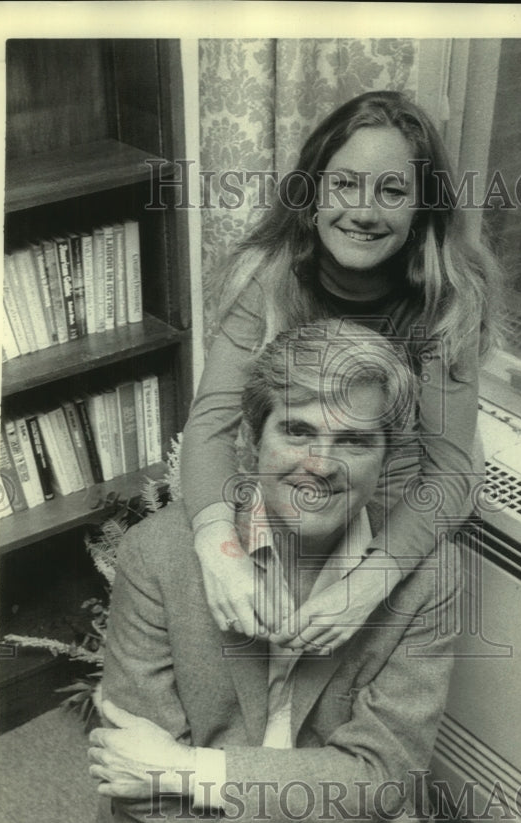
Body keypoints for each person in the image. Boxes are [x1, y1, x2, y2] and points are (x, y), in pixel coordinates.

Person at [67, 321, 463, 823]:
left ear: (388, 455)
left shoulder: (428, 578)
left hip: (202, 802)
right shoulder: (159, 555)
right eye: (297, 430)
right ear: (251, 440)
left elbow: (382, 778)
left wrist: (185, 770)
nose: (321, 463)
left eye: (354, 440)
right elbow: (135, 783)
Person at [181, 90, 504, 652]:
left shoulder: (447, 297)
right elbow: (208, 425)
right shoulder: (269, 277)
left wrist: (369, 583)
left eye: (393, 191)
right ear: (310, 194)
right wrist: (219, 548)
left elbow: (449, 471)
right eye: (345, 184)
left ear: (422, 208)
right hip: (297, 467)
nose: (363, 211)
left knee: (366, 643)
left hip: (401, 480)